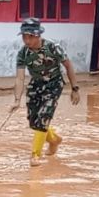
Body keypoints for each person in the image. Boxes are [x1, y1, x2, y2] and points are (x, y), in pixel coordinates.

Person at [10, 18, 81, 167]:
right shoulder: (23, 53)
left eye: (30, 37)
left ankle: (35, 155)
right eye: (24, 37)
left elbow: (68, 66)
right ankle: (54, 139)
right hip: (36, 85)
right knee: (34, 122)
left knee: (43, 118)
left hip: (53, 85)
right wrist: (17, 100)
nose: (27, 40)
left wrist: (75, 89)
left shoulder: (53, 47)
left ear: (38, 35)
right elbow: (20, 77)